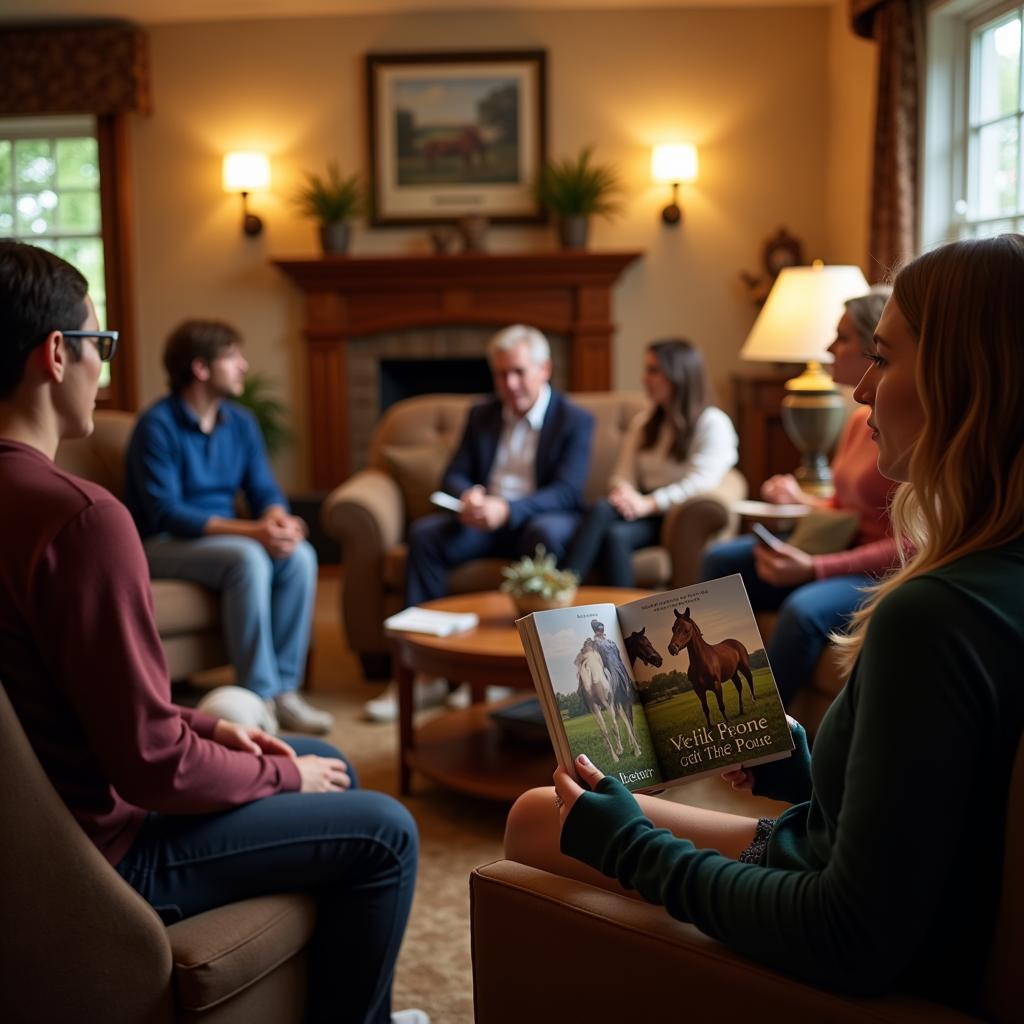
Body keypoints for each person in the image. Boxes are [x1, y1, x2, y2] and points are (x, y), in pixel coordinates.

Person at [504, 234, 1024, 1013]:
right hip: (841, 861)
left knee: (551, 819)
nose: (861, 392)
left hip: (847, 929)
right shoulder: (998, 576)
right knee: (543, 813)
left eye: (883, 358)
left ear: (962, 380)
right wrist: (806, 765)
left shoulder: (932, 618)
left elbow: (848, 935)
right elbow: (940, 809)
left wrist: (634, 851)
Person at [0, 240, 425, 1024]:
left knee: (322, 756)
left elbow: (98, 708)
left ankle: (276, 701)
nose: (105, 366)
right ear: (57, 355)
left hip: (44, 830)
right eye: (101, 345)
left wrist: (219, 732)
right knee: (387, 829)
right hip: (104, 861)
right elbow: (151, 768)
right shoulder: (81, 519)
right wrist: (276, 777)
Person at [364, 323, 595, 722]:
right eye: (501, 374)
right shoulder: (482, 413)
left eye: (519, 372)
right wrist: (468, 493)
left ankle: (513, 672)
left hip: (537, 519)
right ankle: (425, 677)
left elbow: (567, 491)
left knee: (545, 533)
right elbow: (452, 474)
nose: (509, 383)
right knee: (425, 536)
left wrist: (508, 509)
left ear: (545, 369)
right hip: (482, 521)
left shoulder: (574, 419)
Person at [124, 319, 333, 735]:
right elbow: (166, 512)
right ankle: (258, 694)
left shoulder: (239, 422)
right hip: (162, 542)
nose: (243, 365)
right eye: (232, 356)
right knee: (248, 558)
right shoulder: (157, 426)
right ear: (201, 368)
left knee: (301, 555)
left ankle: (285, 693)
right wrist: (253, 533)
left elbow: (264, 488)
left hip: (220, 540)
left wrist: (278, 518)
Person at [700, 292, 897, 704]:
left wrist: (814, 567)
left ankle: (765, 739)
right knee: (722, 560)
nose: (828, 348)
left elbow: (911, 543)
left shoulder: (906, 426)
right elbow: (844, 507)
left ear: (874, 349)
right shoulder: (860, 417)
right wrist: (800, 500)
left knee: (802, 611)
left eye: (841, 338)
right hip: (838, 545)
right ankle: (705, 700)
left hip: (875, 570)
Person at [563, 338, 737, 586]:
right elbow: (622, 473)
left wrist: (649, 504)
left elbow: (701, 482)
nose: (645, 378)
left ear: (678, 375)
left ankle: (563, 588)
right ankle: (615, 615)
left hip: (675, 516)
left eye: (654, 371)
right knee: (613, 531)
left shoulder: (712, 423)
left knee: (605, 518)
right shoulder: (645, 422)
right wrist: (624, 492)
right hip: (640, 507)